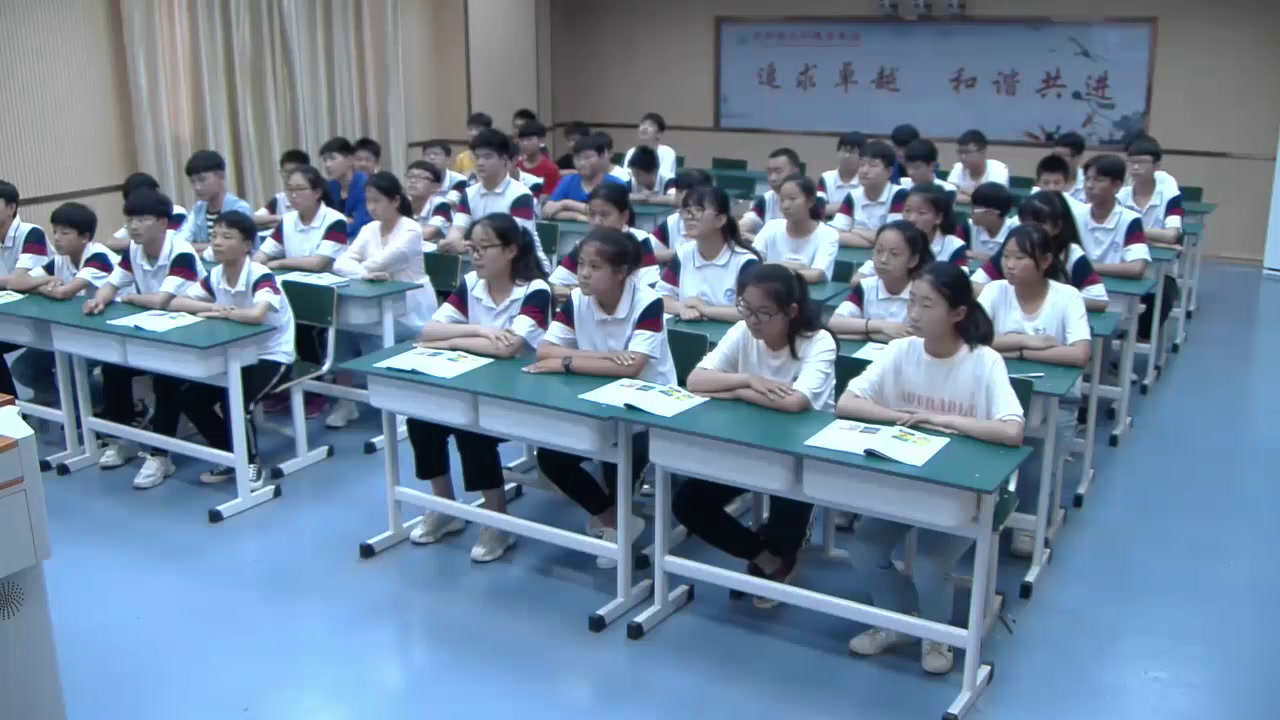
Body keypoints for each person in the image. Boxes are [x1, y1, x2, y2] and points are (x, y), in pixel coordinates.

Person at [840, 261, 1024, 675]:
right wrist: (900, 417)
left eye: (927, 305)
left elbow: (1012, 430)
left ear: (958, 313)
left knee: (929, 563)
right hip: (907, 476)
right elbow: (847, 403)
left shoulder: (984, 360)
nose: (914, 313)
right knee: (864, 548)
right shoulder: (901, 350)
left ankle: (936, 635)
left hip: (965, 486)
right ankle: (897, 621)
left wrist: (944, 422)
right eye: (912, 302)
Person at [675, 264, 836, 607]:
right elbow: (696, 380)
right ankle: (764, 555)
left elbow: (794, 402)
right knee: (687, 502)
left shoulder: (818, 341)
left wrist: (734, 390)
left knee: (786, 510)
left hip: (800, 457)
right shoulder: (742, 331)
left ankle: (782, 550)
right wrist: (747, 381)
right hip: (746, 445)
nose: (752, 319)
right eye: (746, 308)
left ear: (791, 311)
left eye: (764, 312)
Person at [526, 227, 675, 568]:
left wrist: (567, 362)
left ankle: (617, 519)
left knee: (618, 462)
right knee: (551, 458)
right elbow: (545, 350)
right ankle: (616, 520)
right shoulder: (577, 299)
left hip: (647, 409)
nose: (583, 274)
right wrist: (602, 359)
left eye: (595, 267)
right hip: (594, 400)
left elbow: (633, 367)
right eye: (581, 264)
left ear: (621, 272)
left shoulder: (648, 301)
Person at [406, 213, 552, 561]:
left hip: (524, 392)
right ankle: (445, 507)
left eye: (485, 248)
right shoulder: (472, 283)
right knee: (421, 421)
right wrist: (480, 330)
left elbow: (509, 348)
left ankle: (497, 521)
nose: (476, 255)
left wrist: (450, 343)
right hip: (474, 383)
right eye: (472, 248)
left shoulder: (535, 290)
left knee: (472, 429)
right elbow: (429, 330)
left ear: (511, 250)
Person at [977, 223, 1090, 557]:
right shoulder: (995, 291)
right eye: (1006, 257)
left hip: (1057, 402)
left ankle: (1028, 522)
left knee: (1038, 460)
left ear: (1045, 261)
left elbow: (1079, 354)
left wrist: (1014, 349)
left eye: (1019, 258)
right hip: (995, 396)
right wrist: (1029, 343)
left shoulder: (1067, 296)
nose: (1009, 265)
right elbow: (974, 340)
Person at [83, 189, 207, 486]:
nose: (133, 226)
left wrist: (130, 298)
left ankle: (160, 456)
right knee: (113, 369)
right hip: (154, 333)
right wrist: (99, 299)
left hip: (193, 337)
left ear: (163, 222)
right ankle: (122, 440)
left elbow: (162, 300)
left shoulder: (181, 252)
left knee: (166, 379)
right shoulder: (134, 250)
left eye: (142, 219)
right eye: (129, 220)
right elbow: (113, 283)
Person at [168, 211, 294, 491]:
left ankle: (250, 463)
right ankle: (230, 454)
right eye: (214, 236)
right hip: (235, 354)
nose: (217, 242)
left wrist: (221, 313)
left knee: (236, 400)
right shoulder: (215, 274)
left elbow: (257, 315)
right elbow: (177, 302)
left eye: (227, 237)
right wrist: (213, 307)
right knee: (189, 397)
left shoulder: (260, 275)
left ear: (247, 245)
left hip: (272, 356)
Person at [327, 172, 439, 429]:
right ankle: (345, 402)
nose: (371, 207)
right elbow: (341, 263)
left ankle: (396, 404)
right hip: (375, 304)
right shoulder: (369, 229)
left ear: (395, 201)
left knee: (371, 332)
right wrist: (364, 274)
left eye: (377, 201)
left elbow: (382, 262)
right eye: (368, 201)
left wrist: (362, 270)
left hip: (411, 308)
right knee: (341, 330)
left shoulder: (410, 229)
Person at [252, 164, 346, 419]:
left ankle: (316, 392)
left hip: (323, 296)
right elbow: (263, 253)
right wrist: (259, 264)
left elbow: (318, 263)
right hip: (292, 291)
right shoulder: (287, 221)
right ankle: (281, 385)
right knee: (274, 327)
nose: (293, 196)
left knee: (306, 334)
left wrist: (278, 263)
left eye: (299, 189)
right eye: (289, 190)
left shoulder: (334, 220)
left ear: (317, 192)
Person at [8, 203, 116, 406]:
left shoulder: (99, 257)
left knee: (69, 375)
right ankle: (71, 408)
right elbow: (17, 283)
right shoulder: (60, 260)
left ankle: (92, 409)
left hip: (108, 333)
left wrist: (43, 286)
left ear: (84, 237)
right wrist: (47, 281)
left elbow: (64, 292)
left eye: (65, 233)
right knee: (24, 369)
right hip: (74, 330)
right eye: (55, 231)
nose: (57, 238)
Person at [971, 191, 1109, 312]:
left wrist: (1043, 299)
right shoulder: (1012, 249)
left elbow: (1099, 301)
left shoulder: (1071, 253)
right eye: (1025, 222)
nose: (1031, 230)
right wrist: (1013, 296)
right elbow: (974, 285)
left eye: (1039, 224)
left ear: (1056, 227)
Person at [444, 129, 549, 271]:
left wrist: (469, 245)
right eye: (477, 157)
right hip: (485, 265)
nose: (480, 163)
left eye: (487, 157)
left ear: (504, 158)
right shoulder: (469, 194)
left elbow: (513, 242)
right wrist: (450, 243)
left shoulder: (521, 194)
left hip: (523, 266)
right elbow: (457, 230)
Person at [658, 186, 761, 321]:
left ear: (720, 220)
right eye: (686, 211)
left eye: (698, 211)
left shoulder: (745, 262)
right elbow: (661, 296)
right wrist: (682, 308)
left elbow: (753, 310)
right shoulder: (683, 254)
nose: (689, 217)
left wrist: (705, 310)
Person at [549, 182, 661, 296]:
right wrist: (581, 292)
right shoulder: (585, 244)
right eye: (591, 214)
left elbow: (651, 286)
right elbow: (554, 284)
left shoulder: (639, 240)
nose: (597, 221)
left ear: (624, 216)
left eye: (604, 215)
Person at [829, 220, 933, 340]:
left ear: (913, 260)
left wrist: (863, 334)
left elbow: (916, 337)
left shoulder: (922, 292)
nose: (883, 259)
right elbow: (834, 322)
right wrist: (881, 327)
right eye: (879, 251)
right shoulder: (866, 286)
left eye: (894, 254)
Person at [853, 185, 965, 283]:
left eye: (921, 213)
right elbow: (857, 279)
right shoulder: (895, 240)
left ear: (938, 217)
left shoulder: (954, 247)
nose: (911, 219)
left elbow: (960, 284)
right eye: (907, 211)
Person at [0, 179, 49, 399]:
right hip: (15, 317)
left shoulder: (32, 233)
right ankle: (10, 410)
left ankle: (10, 411)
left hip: (45, 318)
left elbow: (18, 281)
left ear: (11, 207)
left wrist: (12, 281)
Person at [753, 175, 838, 284]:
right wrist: (798, 267)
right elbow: (752, 263)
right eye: (782, 200)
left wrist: (771, 266)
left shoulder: (828, 234)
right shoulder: (771, 227)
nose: (785, 206)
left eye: (792, 199)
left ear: (811, 201)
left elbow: (815, 274)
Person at [1081, 154, 1149, 280]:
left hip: (1117, 291)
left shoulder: (1130, 220)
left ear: (1117, 186)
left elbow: (1137, 268)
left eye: (1098, 180)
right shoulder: (1076, 214)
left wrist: (1086, 267)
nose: (1089, 185)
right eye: (1087, 179)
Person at [176, 149, 254, 256]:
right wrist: (210, 247)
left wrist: (198, 249)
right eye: (192, 182)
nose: (197, 187)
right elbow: (179, 243)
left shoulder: (239, 208)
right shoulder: (198, 209)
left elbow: (236, 249)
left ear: (221, 176)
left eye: (202, 180)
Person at [832, 141, 901, 248]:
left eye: (873, 166)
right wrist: (873, 242)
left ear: (889, 172)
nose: (864, 171)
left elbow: (894, 238)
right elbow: (834, 234)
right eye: (861, 165)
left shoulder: (899, 195)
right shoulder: (853, 195)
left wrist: (854, 230)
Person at [543, 132, 626, 222]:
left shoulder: (616, 184)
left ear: (601, 156)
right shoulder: (568, 181)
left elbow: (607, 213)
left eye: (587, 158)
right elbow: (548, 211)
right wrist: (578, 217)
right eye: (577, 158)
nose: (582, 163)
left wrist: (566, 204)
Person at [108, 173, 188, 251]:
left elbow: (168, 240)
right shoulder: (134, 221)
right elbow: (111, 242)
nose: (134, 226)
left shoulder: (177, 212)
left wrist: (137, 244)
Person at [651, 168, 713, 263]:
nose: (676, 196)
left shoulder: (715, 224)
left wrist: (677, 253)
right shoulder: (671, 222)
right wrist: (677, 254)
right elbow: (647, 254)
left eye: (680, 192)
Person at [739, 148, 802, 241]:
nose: (772, 178)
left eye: (778, 172)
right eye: (769, 172)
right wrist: (739, 231)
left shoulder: (812, 200)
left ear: (795, 172)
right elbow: (749, 221)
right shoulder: (767, 199)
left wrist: (758, 239)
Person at [320, 136, 372, 239]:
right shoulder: (329, 187)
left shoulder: (366, 184)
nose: (327, 165)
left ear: (350, 160)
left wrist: (338, 223)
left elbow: (362, 225)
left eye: (332, 158)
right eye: (325, 160)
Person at [948, 129, 1010, 203]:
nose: (962, 157)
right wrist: (977, 199)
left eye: (967, 152)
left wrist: (961, 189)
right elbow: (949, 194)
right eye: (960, 152)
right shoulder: (958, 167)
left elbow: (994, 199)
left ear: (982, 151)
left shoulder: (998, 169)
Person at [254, 149, 311, 230]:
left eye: (293, 172)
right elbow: (253, 218)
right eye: (285, 172)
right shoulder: (279, 199)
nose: (288, 176)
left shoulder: (314, 197)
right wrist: (279, 218)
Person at [403, 161, 452, 248]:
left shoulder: (441, 205)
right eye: (410, 176)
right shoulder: (401, 203)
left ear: (435, 187)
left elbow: (427, 233)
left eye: (421, 177)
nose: (413, 181)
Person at [817, 131, 864, 218]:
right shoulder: (826, 178)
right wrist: (850, 206)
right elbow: (819, 209)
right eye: (844, 150)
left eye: (852, 152)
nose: (847, 156)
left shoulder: (866, 179)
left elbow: (864, 209)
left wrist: (831, 208)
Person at [967, 182, 1018, 261]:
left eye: (974, 209)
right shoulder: (968, 227)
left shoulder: (1016, 232)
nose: (970, 213)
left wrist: (985, 257)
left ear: (992, 213)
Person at [622, 112, 678, 178]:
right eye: (643, 124)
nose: (645, 127)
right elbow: (626, 174)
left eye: (650, 125)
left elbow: (664, 175)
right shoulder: (631, 151)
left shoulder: (668, 152)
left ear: (659, 133)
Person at [515, 119, 561, 195]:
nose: (525, 143)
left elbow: (549, 197)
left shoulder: (551, 169)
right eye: (522, 140)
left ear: (541, 140)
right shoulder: (516, 166)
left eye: (529, 139)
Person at [420, 139, 472, 206]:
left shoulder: (460, 181)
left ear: (447, 159)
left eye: (436, 154)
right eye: (427, 154)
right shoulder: (417, 180)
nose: (431, 157)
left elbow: (454, 202)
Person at [1052, 131, 1087, 203]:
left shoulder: (1088, 183)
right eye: (1054, 156)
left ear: (1078, 157)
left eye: (1062, 156)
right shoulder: (1047, 180)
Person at [454, 112, 492, 177]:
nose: (473, 133)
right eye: (470, 129)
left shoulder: (494, 157)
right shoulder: (461, 158)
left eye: (478, 129)